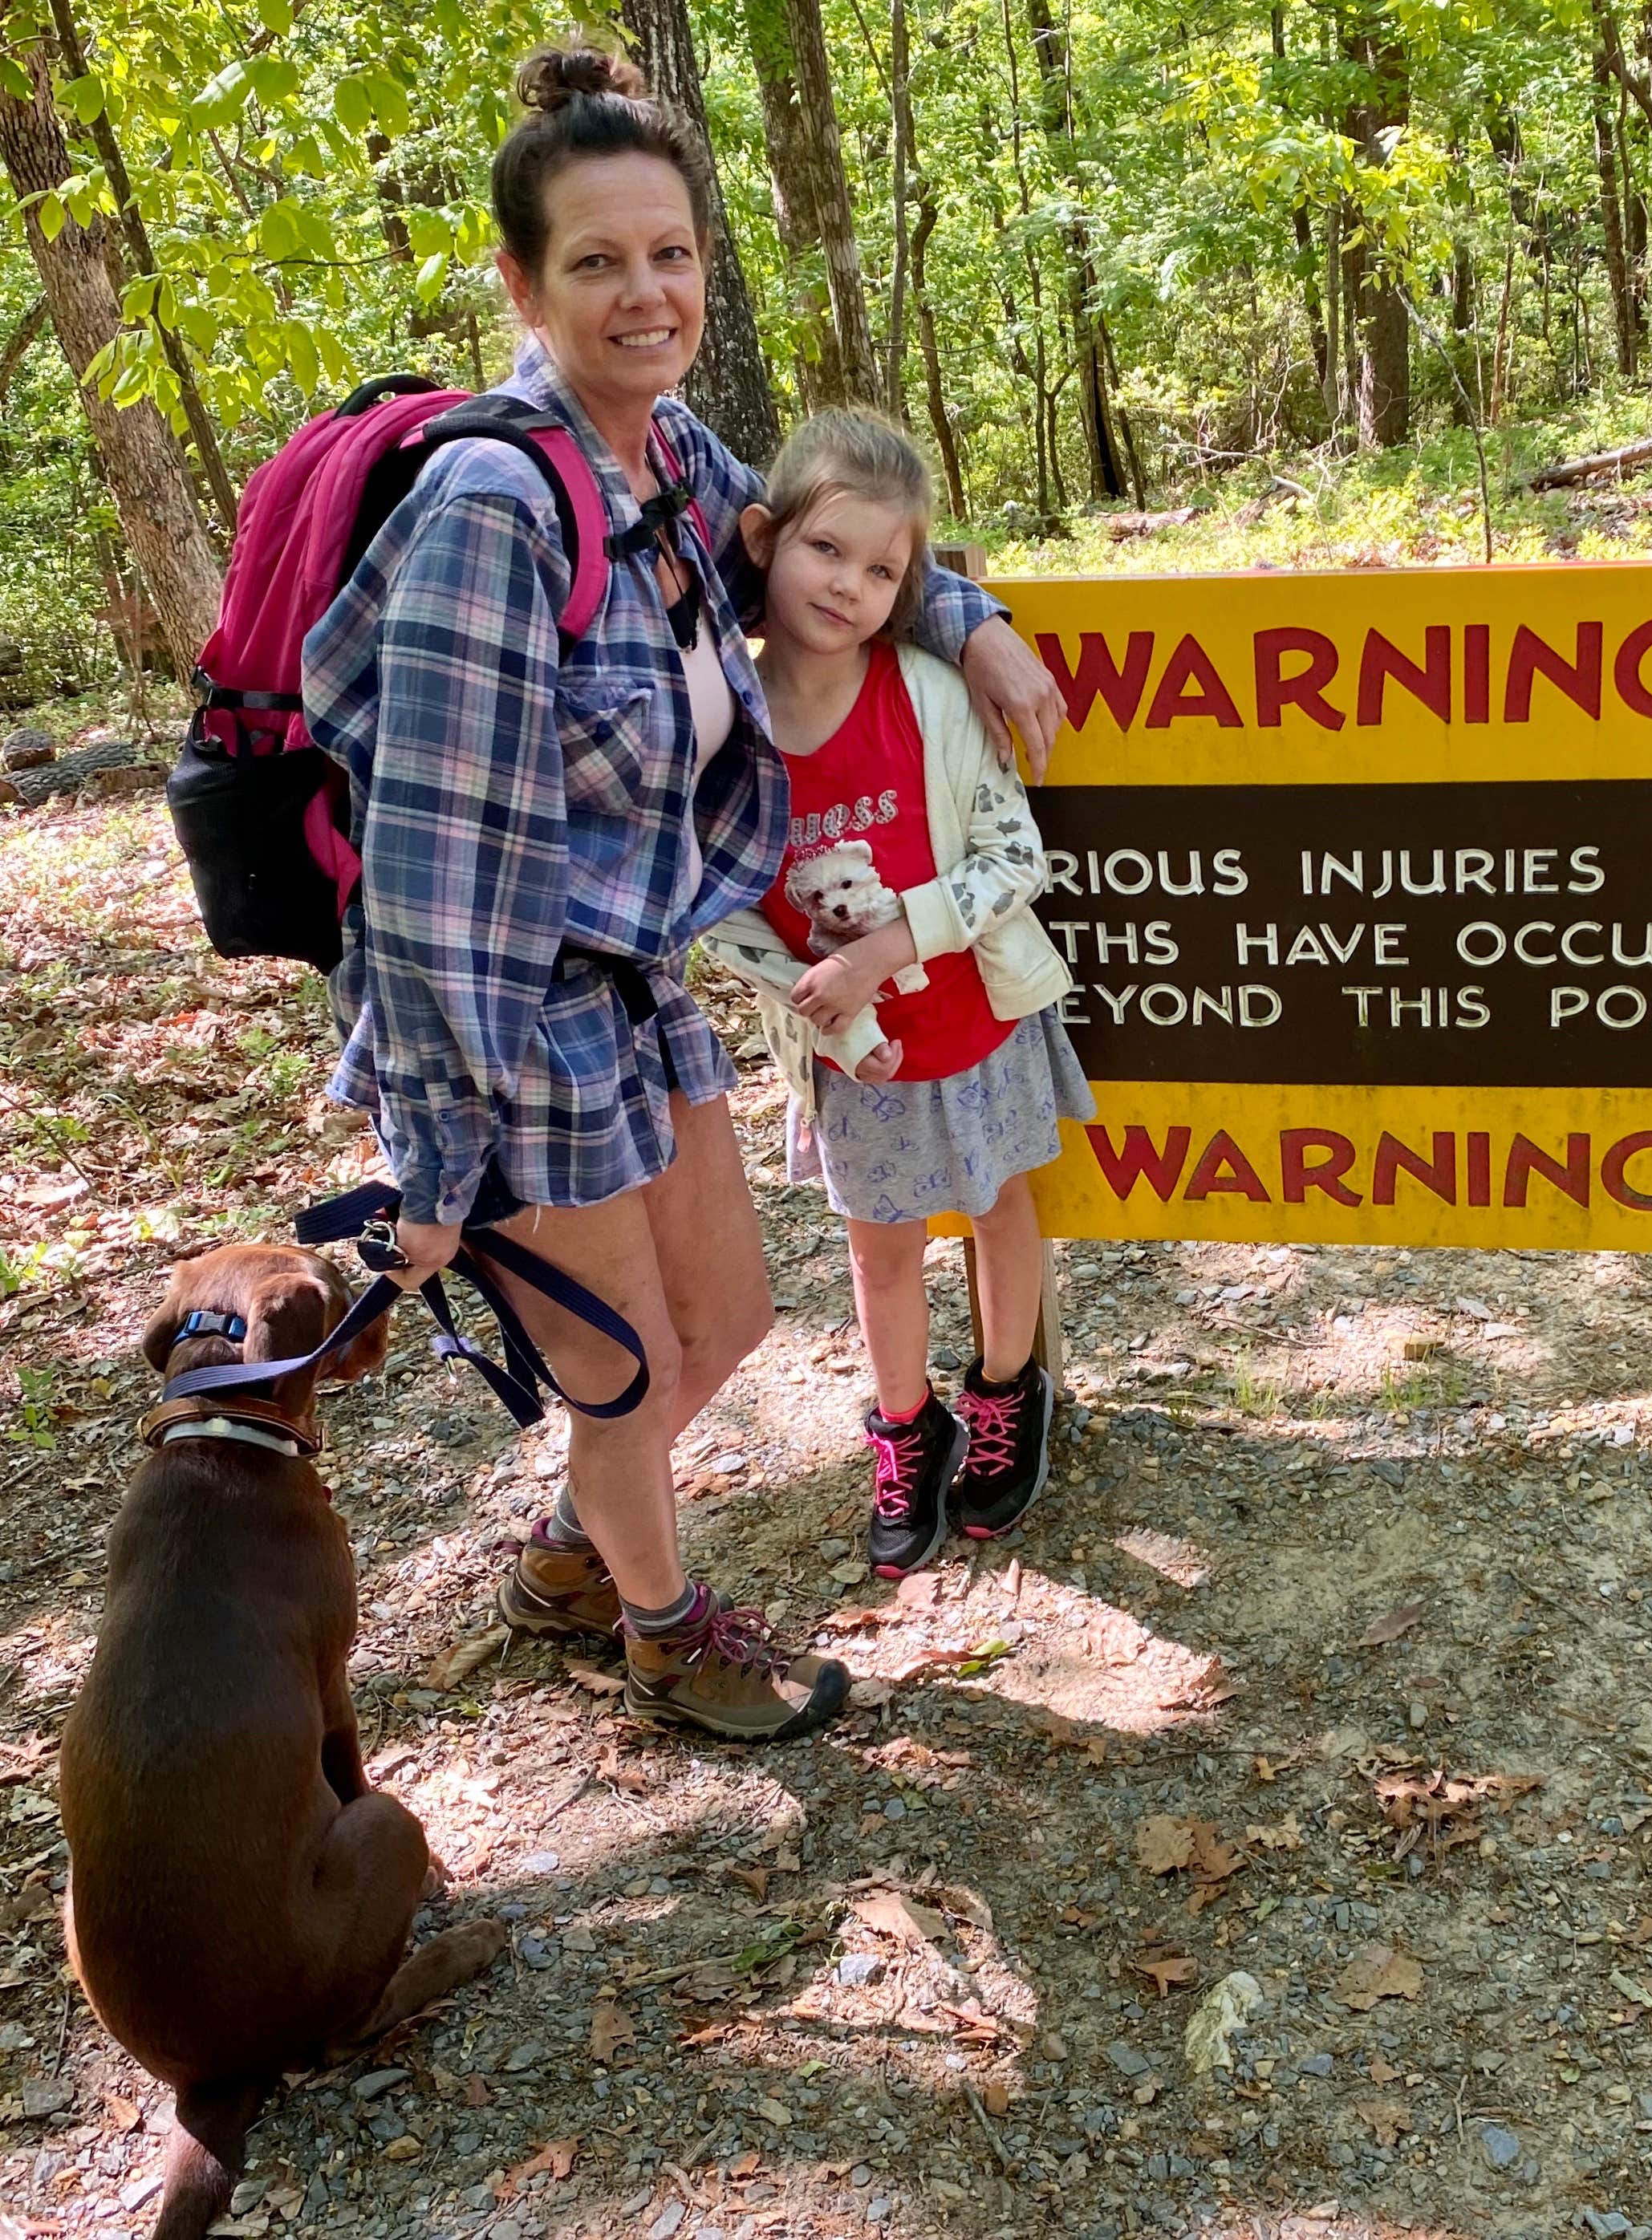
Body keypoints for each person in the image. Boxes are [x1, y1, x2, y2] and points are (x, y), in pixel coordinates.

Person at [299, 47, 1067, 1742]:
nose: (647, 292)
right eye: (597, 261)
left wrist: (970, 610)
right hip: (508, 1017)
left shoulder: (664, 463)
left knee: (723, 1316)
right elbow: (429, 885)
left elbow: (831, 550)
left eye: (672, 255)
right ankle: (663, 1630)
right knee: (627, 1363)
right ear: (521, 283)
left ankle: (577, 1558)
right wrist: (433, 1159)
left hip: (637, 986)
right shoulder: (496, 508)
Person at [701, 412, 1094, 1581]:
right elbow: (708, 909)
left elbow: (1016, 857)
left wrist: (890, 948)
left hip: (976, 1024)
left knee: (1002, 1211)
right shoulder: (723, 722)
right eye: (829, 551)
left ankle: (1005, 1393)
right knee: (879, 1253)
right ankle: (904, 1423)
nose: (850, 585)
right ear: (767, 540)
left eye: (883, 570)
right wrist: (827, 997)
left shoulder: (924, 691)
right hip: (848, 1055)